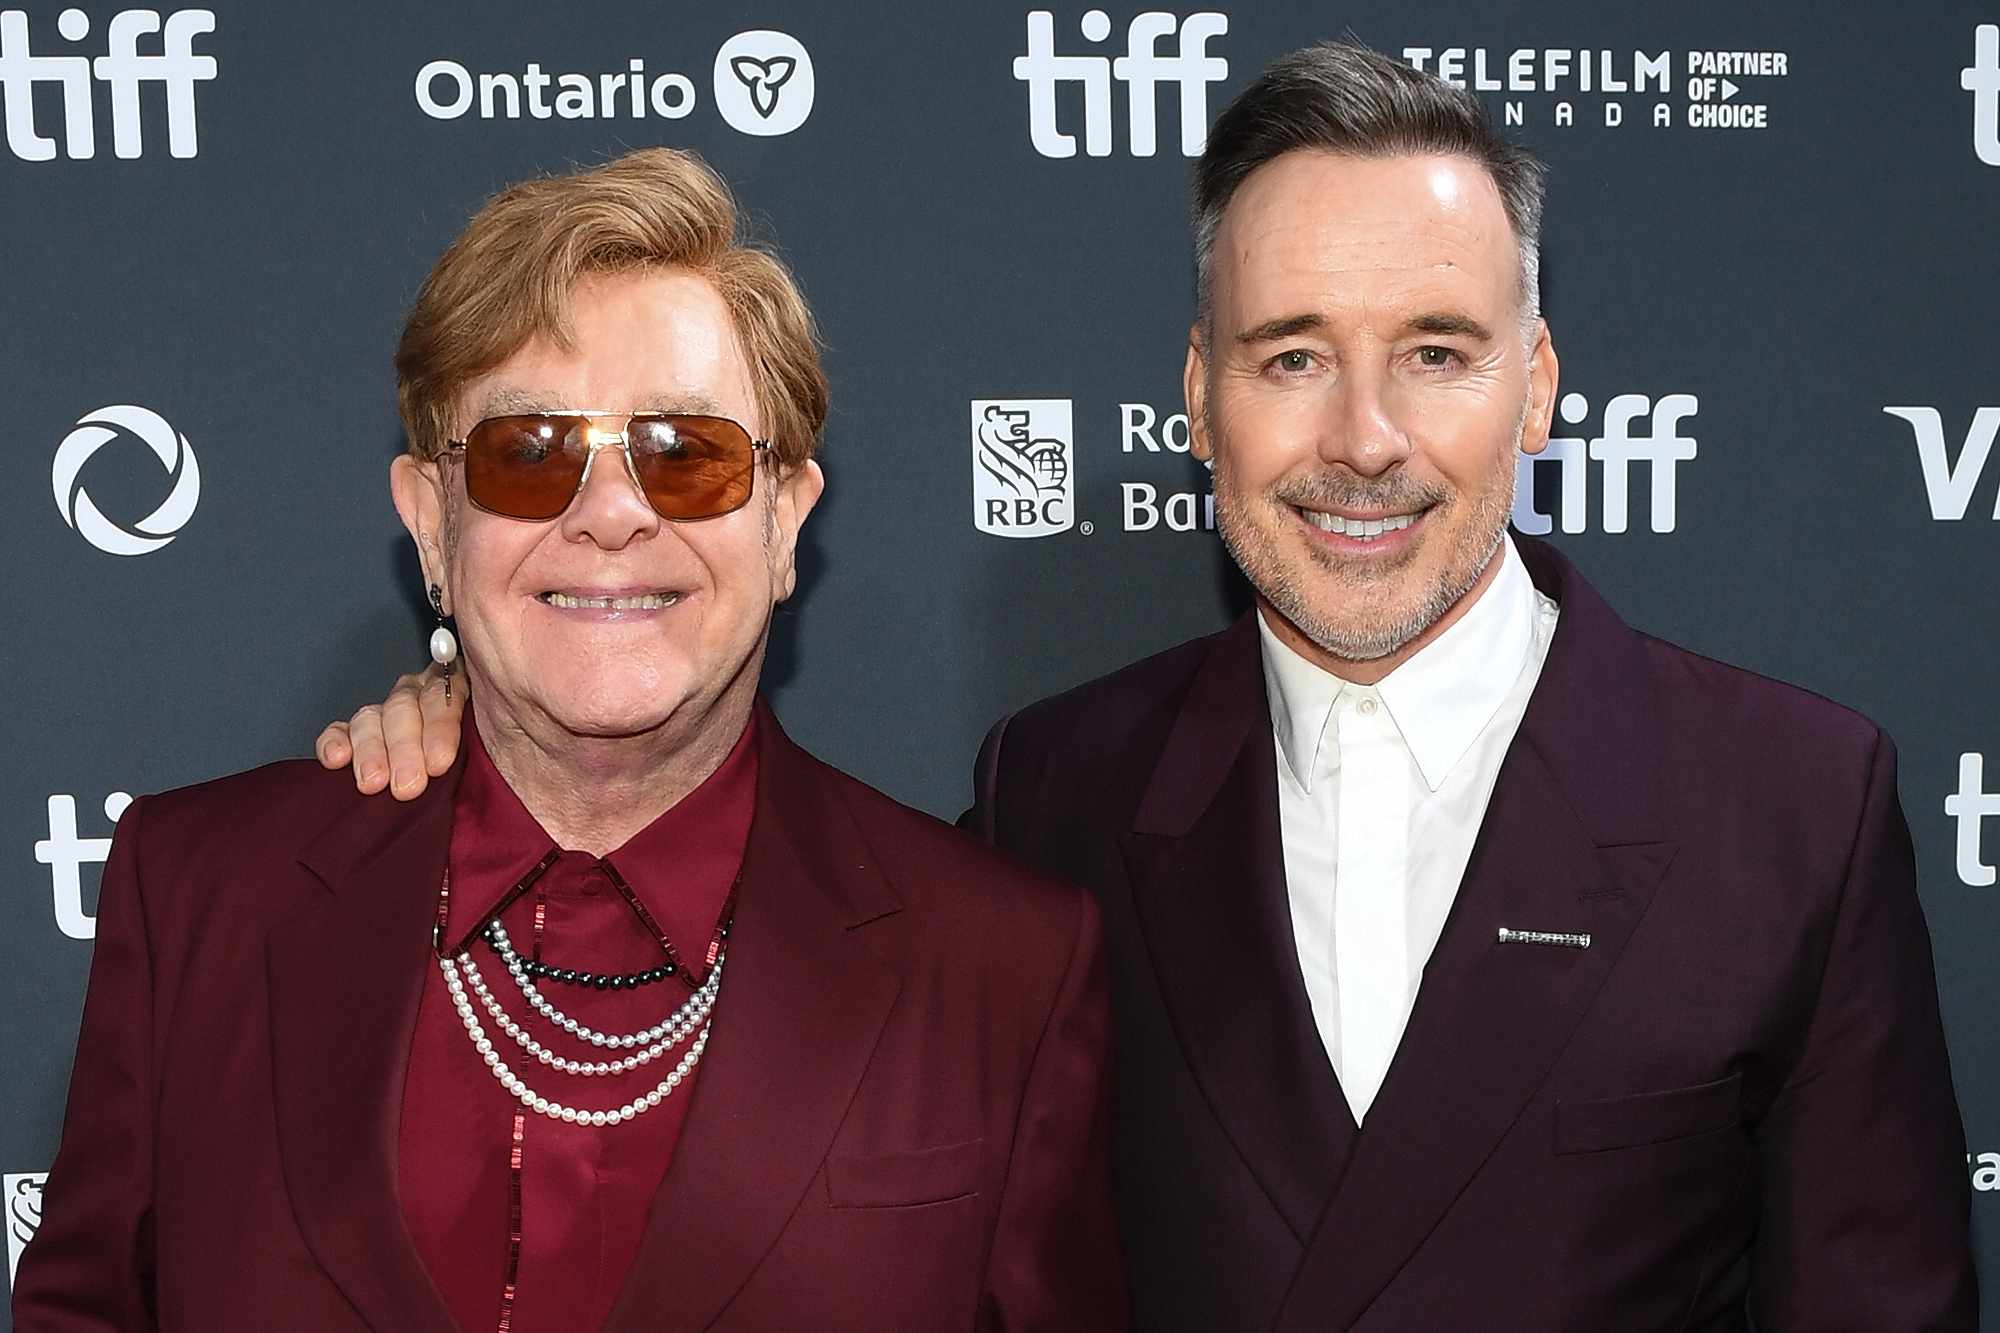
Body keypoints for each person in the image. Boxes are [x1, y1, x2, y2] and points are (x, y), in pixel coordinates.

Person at [317, 45, 1977, 1331]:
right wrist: (515, 729)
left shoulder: (1790, 805)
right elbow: (787, 963)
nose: (1364, 438)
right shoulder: (1063, 793)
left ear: (1539, 384)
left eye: (1441, 351)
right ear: (1198, 396)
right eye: (1290, 354)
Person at [16, 148, 1124, 1333]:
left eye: (684, 453)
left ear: (786, 520)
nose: (609, 514)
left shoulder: (1001, 965)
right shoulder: (199, 898)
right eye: (530, 453)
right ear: (432, 527)